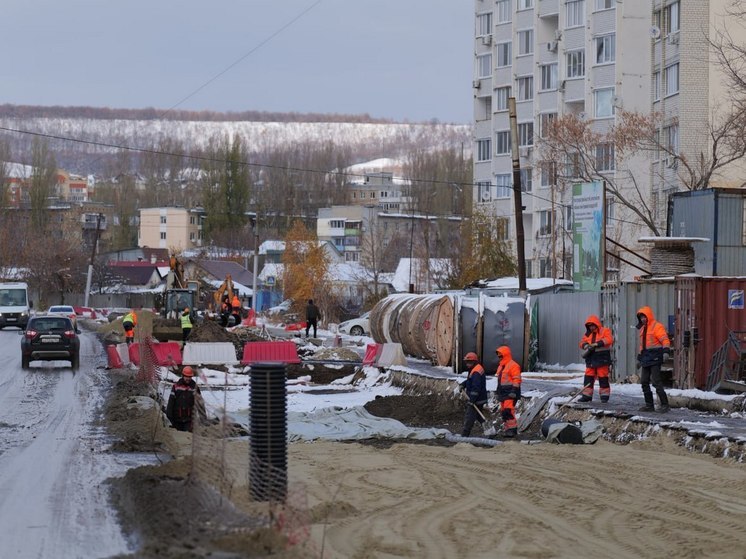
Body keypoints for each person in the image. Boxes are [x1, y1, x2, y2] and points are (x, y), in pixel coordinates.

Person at [636, 306, 671, 413]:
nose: (643, 319)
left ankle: (665, 405)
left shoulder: (657, 326)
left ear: (648, 316)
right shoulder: (642, 329)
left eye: (644, 317)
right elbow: (642, 346)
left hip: (655, 357)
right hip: (646, 358)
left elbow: (664, 339)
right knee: (644, 382)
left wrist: (666, 351)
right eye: (641, 317)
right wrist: (639, 358)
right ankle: (649, 405)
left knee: (656, 381)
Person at [578, 314, 614, 403]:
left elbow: (609, 339)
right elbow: (581, 342)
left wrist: (597, 344)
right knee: (588, 377)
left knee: (603, 377)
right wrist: (586, 345)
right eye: (589, 326)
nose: (591, 328)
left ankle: (604, 396)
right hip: (591, 359)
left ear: (596, 324)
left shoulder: (605, 331)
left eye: (592, 326)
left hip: (602, 358)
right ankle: (586, 396)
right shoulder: (588, 334)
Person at [494, 345, 522, 438]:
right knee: (504, 412)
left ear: (505, 354)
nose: (499, 357)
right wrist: (498, 393)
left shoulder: (513, 365)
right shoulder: (501, 366)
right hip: (504, 392)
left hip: (511, 392)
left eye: (501, 355)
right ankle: (507, 430)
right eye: (498, 355)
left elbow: (517, 379)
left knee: (508, 411)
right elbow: (500, 380)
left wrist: (514, 391)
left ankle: (512, 430)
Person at [459, 352, 488, 437]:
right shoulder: (475, 369)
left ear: (474, 362)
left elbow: (476, 388)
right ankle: (490, 431)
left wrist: (472, 400)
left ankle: (465, 435)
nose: (468, 364)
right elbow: (470, 381)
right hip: (480, 398)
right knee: (479, 416)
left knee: (470, 417)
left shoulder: (476, 372)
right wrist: (463, 384)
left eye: (470, 362)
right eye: (467, 362)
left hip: (477, 399)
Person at [166, 366, 201, 432]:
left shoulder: (195, 388)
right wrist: (169, 416)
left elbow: (200, 404)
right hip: (176, 419)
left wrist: (203, 418)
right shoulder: (176, 387)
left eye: (189, 377)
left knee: (188, 438)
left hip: (189, 420)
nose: (188, 378)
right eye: (186, 376)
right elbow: (171, 402)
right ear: (183, 376)